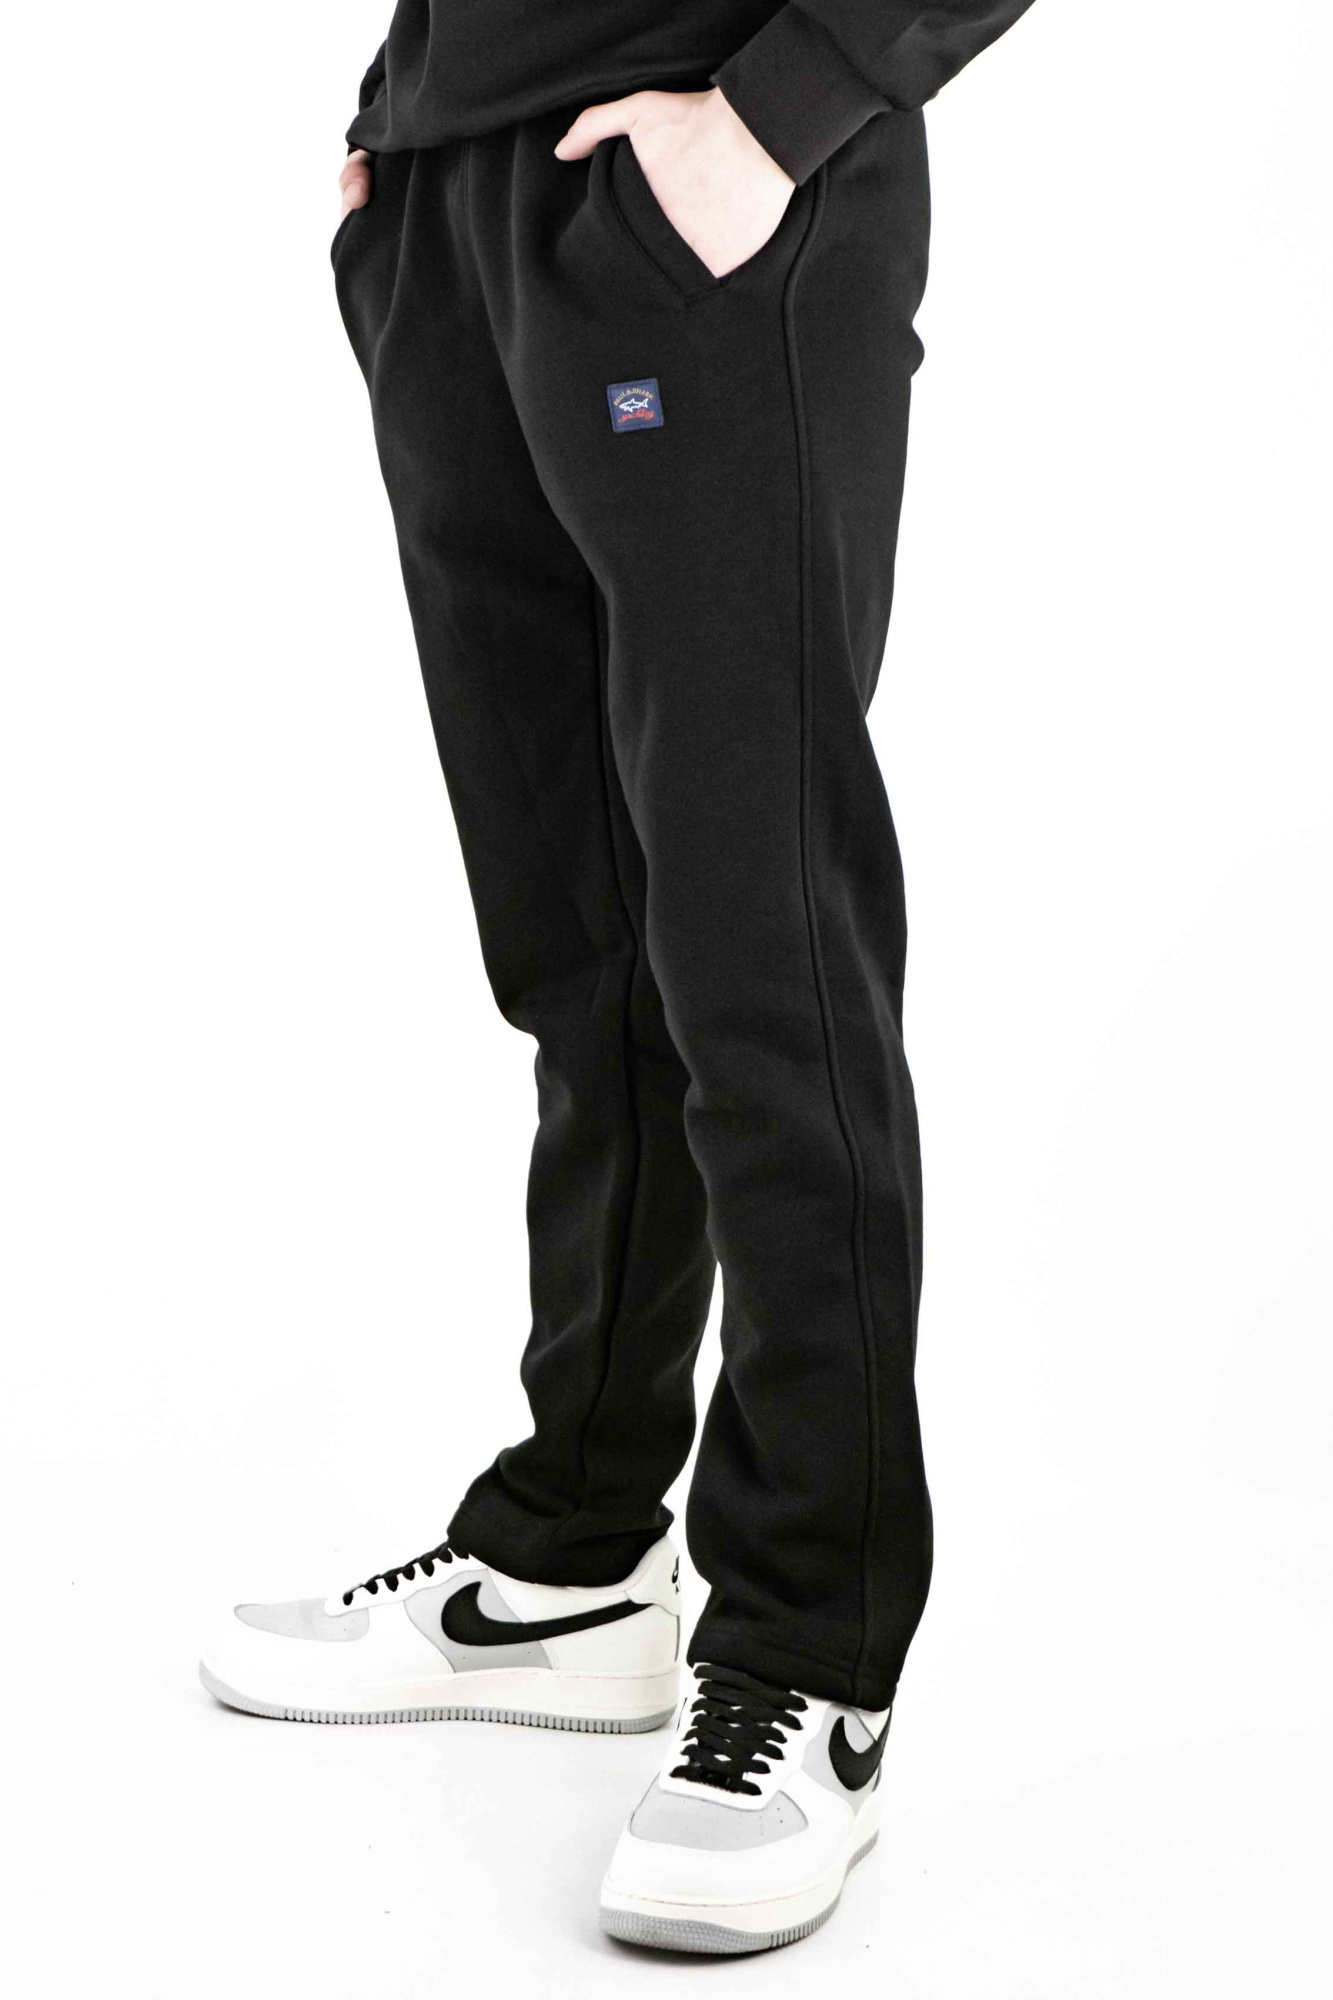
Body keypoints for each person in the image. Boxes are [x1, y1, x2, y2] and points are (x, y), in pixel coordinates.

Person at [201, 0, 1037, 1953]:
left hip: (708, 180)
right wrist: (401, 134)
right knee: (578, 953)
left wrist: (788, 107)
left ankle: (809, 1651)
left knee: (763, 955)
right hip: (454, 210)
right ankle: (572, 1558)